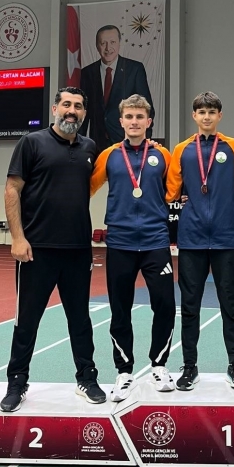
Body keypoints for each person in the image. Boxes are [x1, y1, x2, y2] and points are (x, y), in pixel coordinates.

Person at [0, 86, 106, 412]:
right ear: (55, 109)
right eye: (67, 104)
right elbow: (12, 189)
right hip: (36, 250)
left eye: (78, 106)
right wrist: (18, 238)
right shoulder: (31, 143)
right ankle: (17, 382)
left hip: (77, 250)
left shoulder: (90, 148)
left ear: (84, 113)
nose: (72, 110)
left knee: (80, 320)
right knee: (27, 321)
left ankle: (87, 379)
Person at [90, 94, 176, 402]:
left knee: (165, 305)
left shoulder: (162, 155)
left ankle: (159, 365)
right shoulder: (109, 155)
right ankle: (124, 371)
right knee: (120, 308)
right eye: (129, 117)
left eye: (140, 117)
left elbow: (176, 188)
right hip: (120, 242)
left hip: (155, 241)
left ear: (149, 121)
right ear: (121, 121)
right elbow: (86, 187)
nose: (135, 121)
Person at [166, 91, 234, 391]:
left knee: (231, 306)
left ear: (220, 116)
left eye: (212, 111)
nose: (207, 116)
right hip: (192, 239)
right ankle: (189, 367)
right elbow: (171, 191)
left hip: (226, 238)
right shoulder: (181, 150)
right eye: (201, 112)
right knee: (190, 307)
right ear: (194, 116)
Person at [80, 25, 154, 152]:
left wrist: (143, 142)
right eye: (103, 43)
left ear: (119, 43)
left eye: (112, 42)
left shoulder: (134, 69)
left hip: (128, 143)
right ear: (97, 46)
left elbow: (147, 108)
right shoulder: (87, 73)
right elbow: (83, 112)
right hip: (97, 145)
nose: (108, 48)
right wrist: (78, 145)